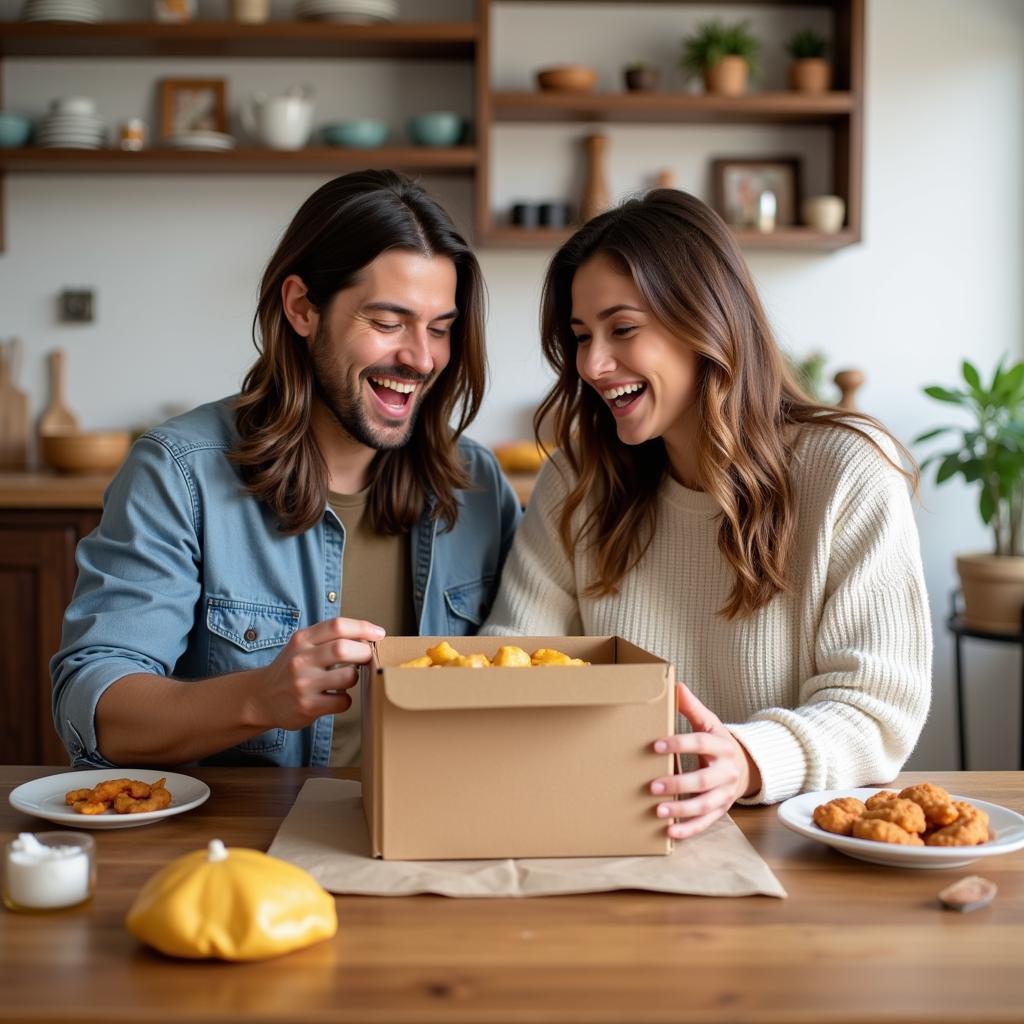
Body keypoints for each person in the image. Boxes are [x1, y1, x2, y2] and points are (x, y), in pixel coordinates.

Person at [483, 189, 932, 839]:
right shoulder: (578, 478)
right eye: (582, 337)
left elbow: (877, 708)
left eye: (624, 329)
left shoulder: (849, 470)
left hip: (787, 846)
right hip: (602, 827)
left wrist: (747, 761)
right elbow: (512, 662)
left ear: (706, 323)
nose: (593, 364)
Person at [52, 170, 522, 769]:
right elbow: (93, 709)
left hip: (431, 837)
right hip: (254, 843)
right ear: (302, 308)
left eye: (440, 329)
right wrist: (258, 697)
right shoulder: (179, 473)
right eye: (386, 323)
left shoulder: (476, 483)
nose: (421, 358)